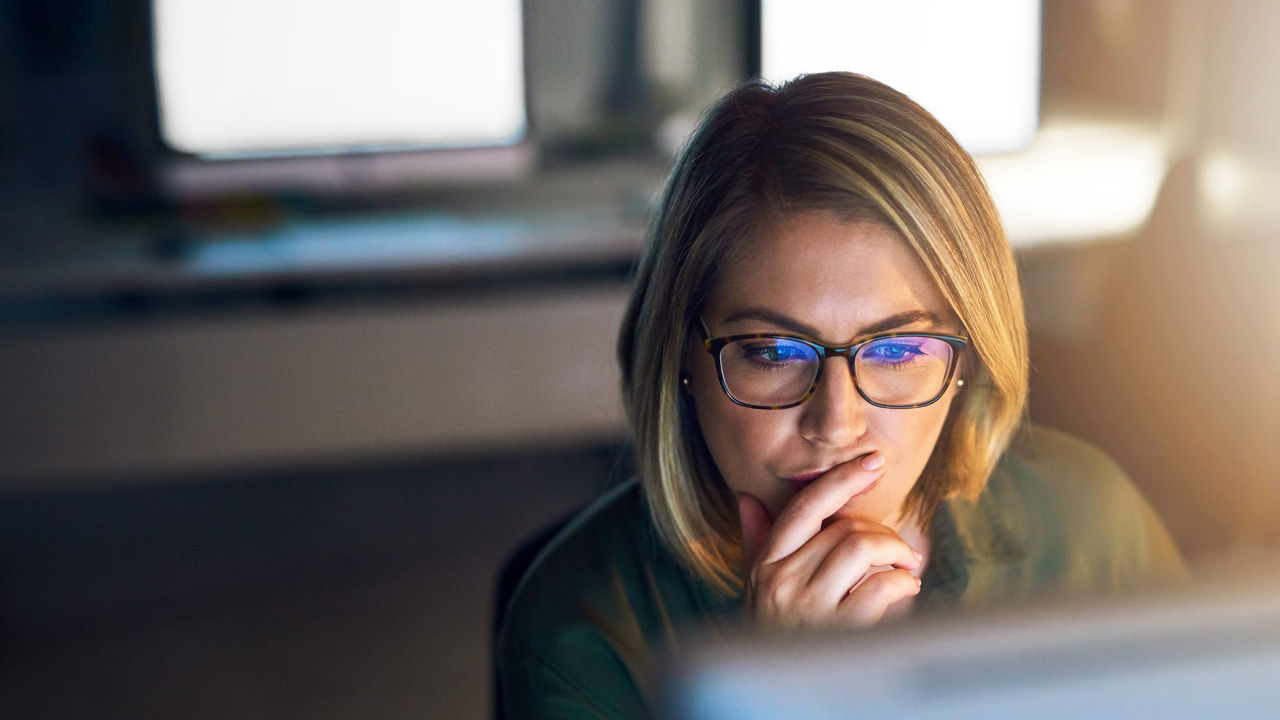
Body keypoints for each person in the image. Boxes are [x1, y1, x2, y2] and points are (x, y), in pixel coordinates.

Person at [495, 72, 1187, 718]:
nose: (836, 422)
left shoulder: (1091, 525)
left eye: (896, 351)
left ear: (968, 362)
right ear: (682, 355)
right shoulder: (577, 633)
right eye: (771, 352)